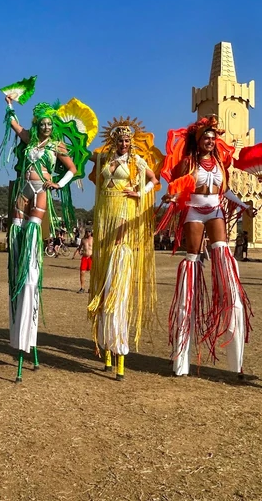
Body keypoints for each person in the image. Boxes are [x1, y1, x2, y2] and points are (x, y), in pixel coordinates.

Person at [0, 94, 92, 381]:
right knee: (15, 233)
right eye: (43, 124)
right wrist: (9, 104)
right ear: (37, 125)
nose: (46, 127)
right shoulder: (29, 140)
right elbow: (13, 125)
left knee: (30, 235)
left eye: (50, 124)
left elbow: (74, 170)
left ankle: (29, 272)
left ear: (54, 127)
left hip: (40, 190)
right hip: (21, 191)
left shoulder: (56, 145)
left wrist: (57, 182)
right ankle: (17, 271)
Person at [158, 115, 256, 378]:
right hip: (193, 212)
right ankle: (182, 356)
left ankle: (235, 356)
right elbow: (178, 188)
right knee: (191, 263)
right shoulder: (188, 162)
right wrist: (171, 196)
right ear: (198, 141)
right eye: (206, 138)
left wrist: (245, 205)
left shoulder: (221, 164)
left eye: (213, 139)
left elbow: (225, 192)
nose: (210, 143)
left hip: (215, 211)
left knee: (224, 259)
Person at [86, 118, 160, 380]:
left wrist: (140, 192)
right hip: (104, 213)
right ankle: (106, 347)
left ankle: (118, 350)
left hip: (124, 211)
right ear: (114, 141)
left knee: (117, 275)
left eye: (127, 140)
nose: (124, 143)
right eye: (120, 140)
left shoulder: (136, 161)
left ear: (131, 142)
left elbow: (154, 179)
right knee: (104, 283)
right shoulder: (106, 159)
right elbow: (87, 162)